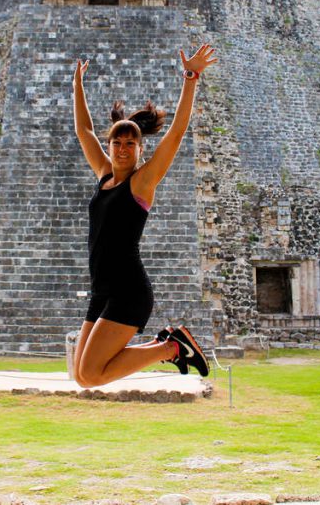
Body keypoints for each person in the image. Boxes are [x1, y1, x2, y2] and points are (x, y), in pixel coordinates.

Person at [71, 44, 218, 388]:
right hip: (101, 291)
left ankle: (170, 348)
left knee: (92, 374)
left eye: (130, 144)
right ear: (110, 147)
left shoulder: (143, 182)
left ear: (140, 150)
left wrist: (191, 77)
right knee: (81, 375)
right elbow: (84, 131)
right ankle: (168, 343)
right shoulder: (105, 176)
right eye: (117, 143)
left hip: (128, 291)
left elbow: (177, 131)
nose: (122, 149)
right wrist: (77, 86)